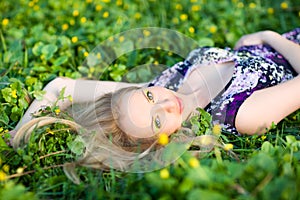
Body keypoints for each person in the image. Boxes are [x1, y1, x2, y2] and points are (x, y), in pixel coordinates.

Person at [10, 28, 300, 178]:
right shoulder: (240, 115)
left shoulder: (165, 84)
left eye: (148, 96)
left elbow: (61, 87)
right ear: (162, 141)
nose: (165, 103)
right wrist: (268, 37)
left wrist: (14, 139)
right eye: (157, 121)